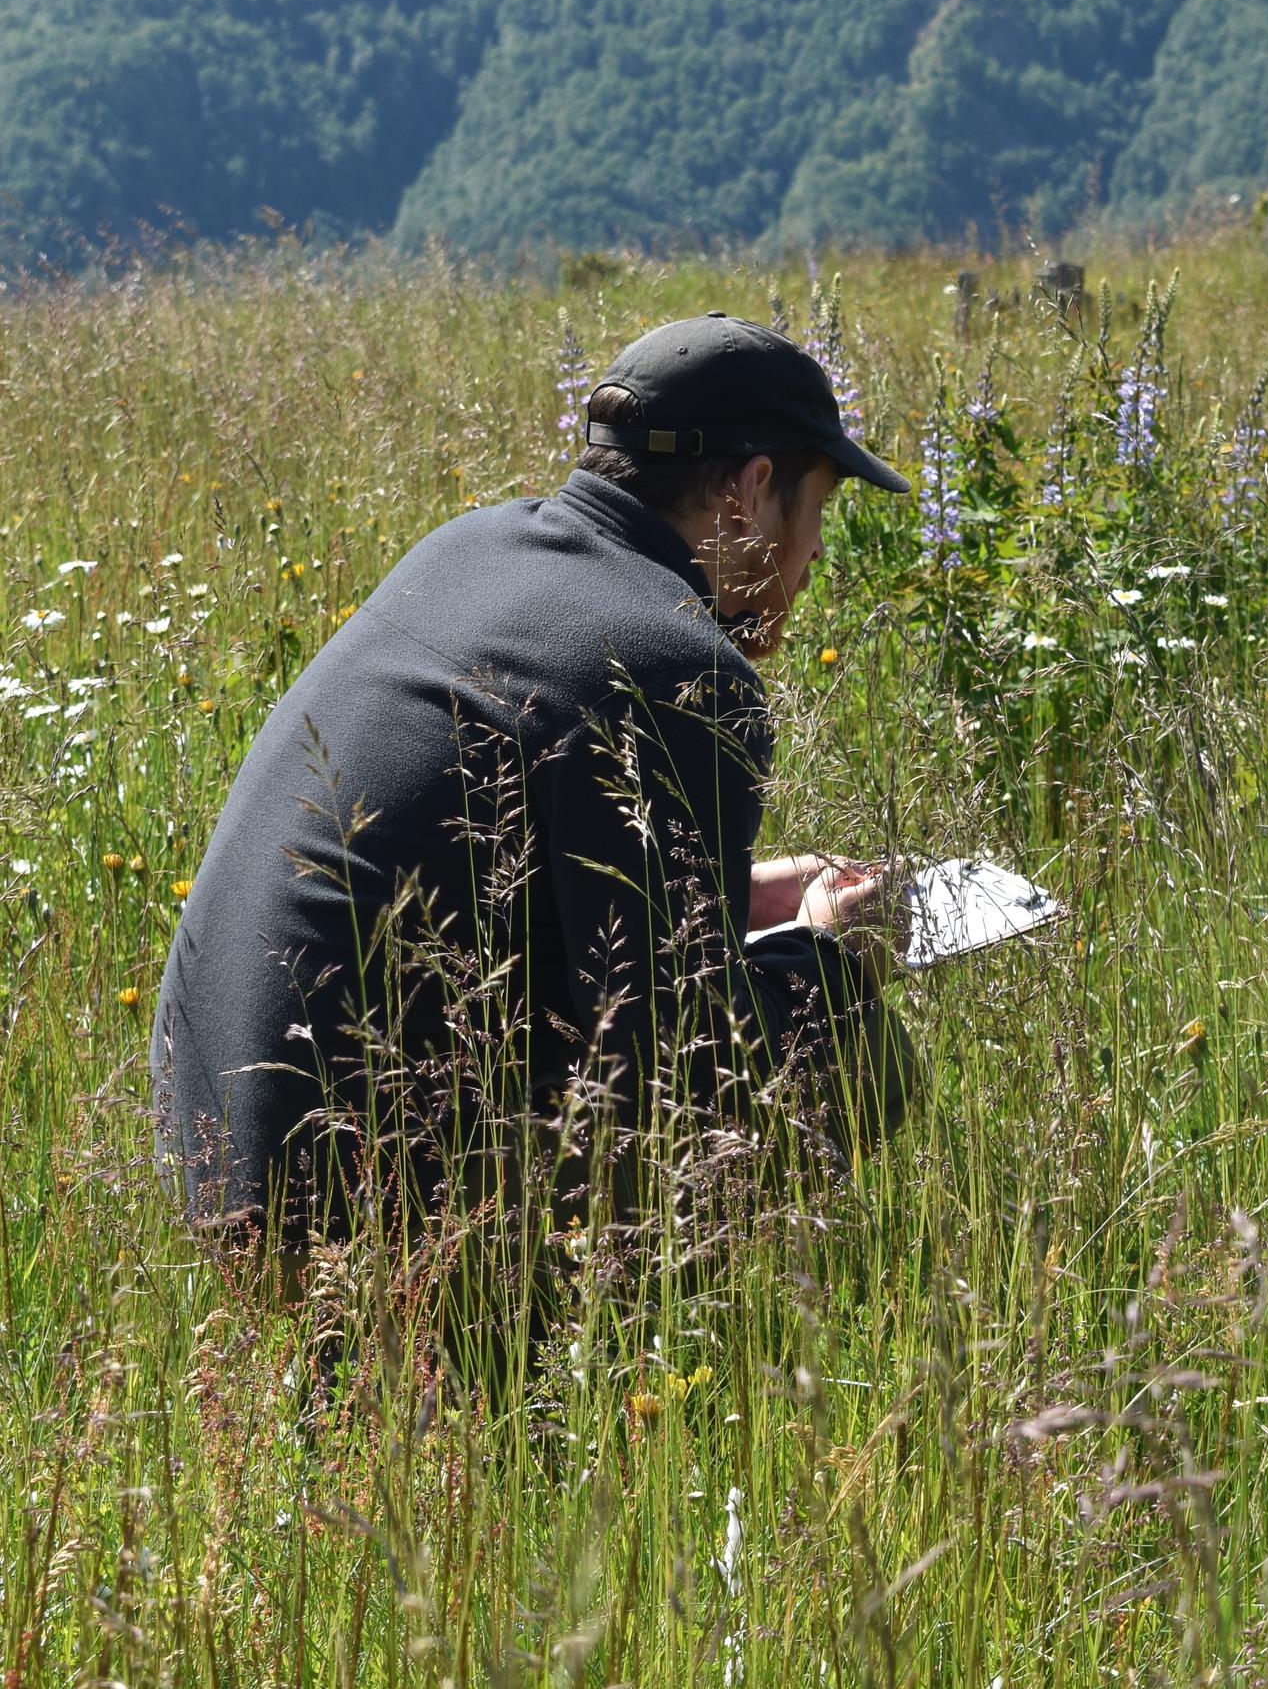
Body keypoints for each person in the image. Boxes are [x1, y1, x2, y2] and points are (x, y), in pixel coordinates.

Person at [150, 315, 915, 1265]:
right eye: (819, 510)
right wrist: (833, 959)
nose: (812, 559)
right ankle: (711, 1369)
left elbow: (512, 902)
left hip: (222, 1161)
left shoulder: (468, 550)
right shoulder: (678, 664)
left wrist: (742, 896)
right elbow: (680, 1064)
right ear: (752, 490)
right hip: (364, 1232)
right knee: (855, 1052)